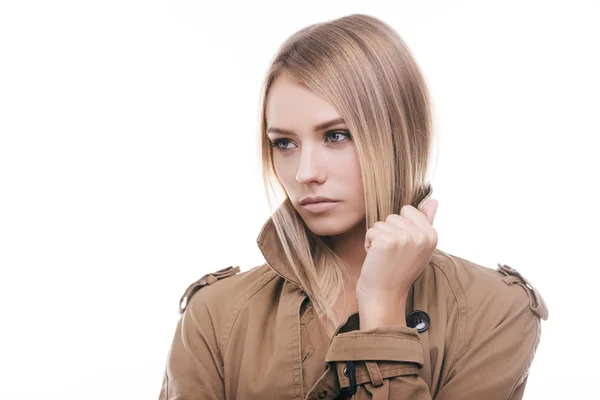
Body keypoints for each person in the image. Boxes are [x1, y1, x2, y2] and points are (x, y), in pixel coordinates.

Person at [157, 13, 548, 400]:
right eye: (284, 143)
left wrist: (383, 307)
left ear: (399, 136)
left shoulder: (495, 310)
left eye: (336, 135)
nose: (305, 173)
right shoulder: (214, 314)